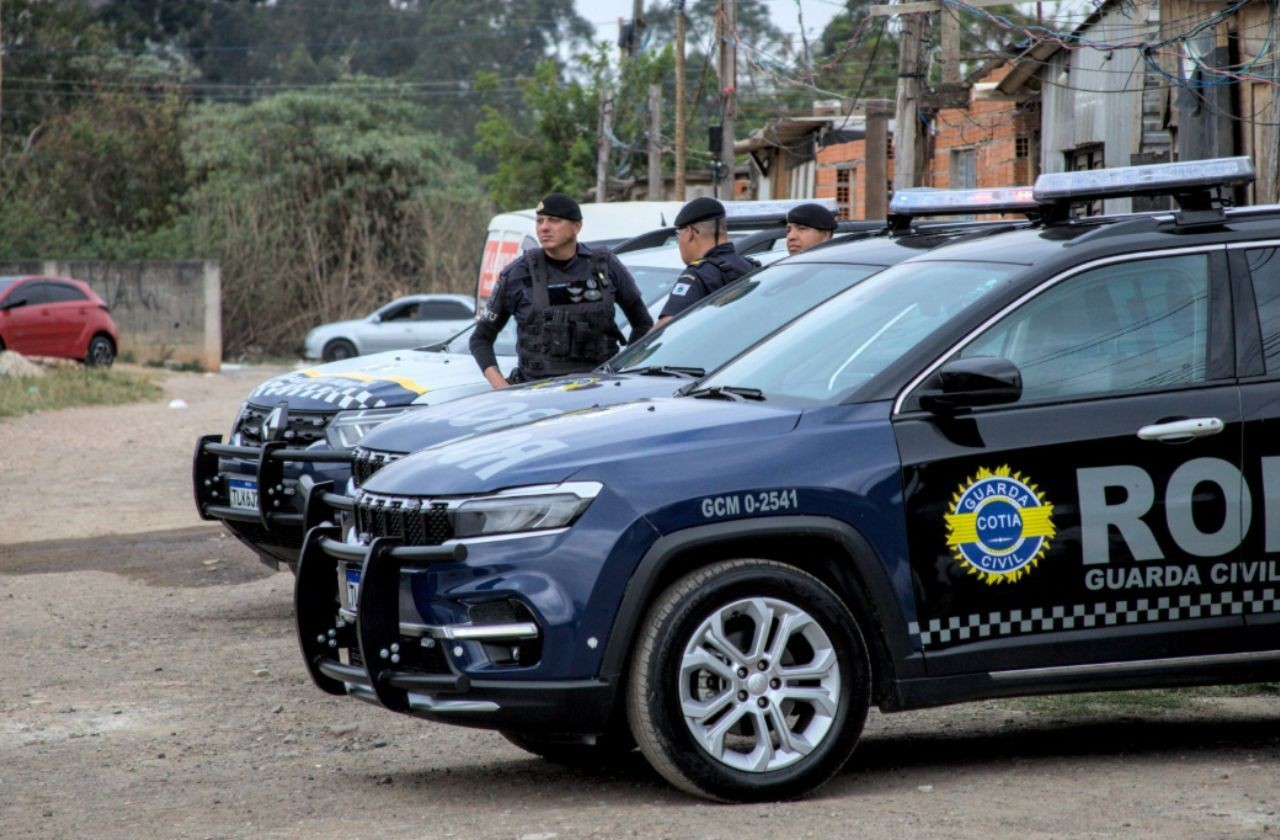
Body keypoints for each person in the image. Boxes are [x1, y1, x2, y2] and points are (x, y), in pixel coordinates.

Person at [470, 193, 653, 388]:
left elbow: (643, 325)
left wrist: (622, 370)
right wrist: (501, 387)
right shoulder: (518, 273)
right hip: (536, 393)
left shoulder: (606, 265)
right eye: (540, 221)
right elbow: (480, 339)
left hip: (599, 391)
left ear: (577, 227)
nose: (544, 227)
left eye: (554, 220)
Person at [654, 197, 757, 329]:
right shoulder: (752, 266)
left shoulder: (697, 275)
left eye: (679, 234)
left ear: (689, 232)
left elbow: (667, 327)